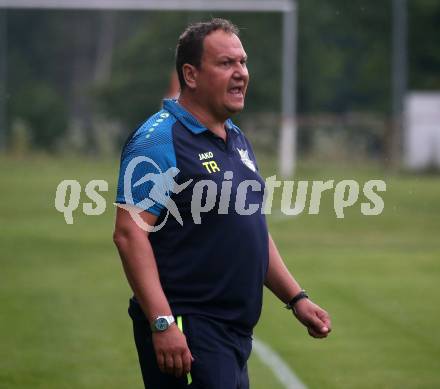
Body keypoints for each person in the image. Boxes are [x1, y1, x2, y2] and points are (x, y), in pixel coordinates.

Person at [113, 18, 331, 389]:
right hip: (188, 327)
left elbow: (251, 232)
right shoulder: (158, 138)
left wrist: (296, 298)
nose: (241, 73)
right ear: (191, 75)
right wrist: (163, 323)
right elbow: (129, 234)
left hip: (231, 333)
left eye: (242, 62)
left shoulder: (236, 139)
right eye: (226, 63)